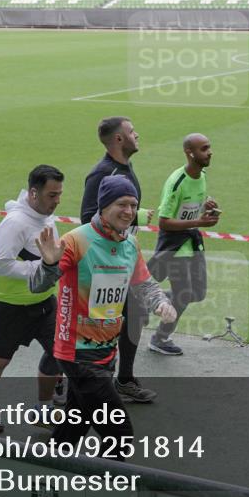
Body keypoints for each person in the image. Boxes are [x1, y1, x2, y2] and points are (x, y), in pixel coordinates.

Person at [32, 176, 176, 458]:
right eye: (122, 204)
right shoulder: (76, 240)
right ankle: (103, 486)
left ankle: (41, 471)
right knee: (120, 436)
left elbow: (144, 284)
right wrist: (48, 264)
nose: (129, 211)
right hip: (76, 353)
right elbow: (37, 286)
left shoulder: (130, 243)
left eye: (133, 205)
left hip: (106, 351)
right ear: (104, 205)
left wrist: (160, 302)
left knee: (75, 424)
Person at [0, 165, 66, 432]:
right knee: (1, 359)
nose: (57, 201)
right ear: (34, 193)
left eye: (59, 194)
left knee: (58, 351)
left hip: (44, 301)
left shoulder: (47, 217)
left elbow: (53, 256)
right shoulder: (14, 223)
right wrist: (41, 267)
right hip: (8, 304)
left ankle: (43, 409)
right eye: (52, 195)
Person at [80, 116, 156, 403]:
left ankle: (124, 379)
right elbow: (87, 217)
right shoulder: (102, 173)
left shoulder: (124, 167)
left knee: (134, 313)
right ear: (119, 139)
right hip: (103, 263)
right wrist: (134, 217)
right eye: (132, 131)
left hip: (122, 258)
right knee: (95, 325)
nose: (138, 135)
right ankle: (66, 384)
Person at [147, 133, 219, 356]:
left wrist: (207, 209)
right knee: (184, 294)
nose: (209, 152)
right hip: (174, 246)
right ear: (190, 153)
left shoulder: (202, 176)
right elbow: (164, 222)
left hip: (192, 242)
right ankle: (160, 338)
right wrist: (199, 222)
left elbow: (191, 210)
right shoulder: (177, 182)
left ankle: (149, 299)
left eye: (209, 147)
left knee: (198, 293)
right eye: (204, 149)